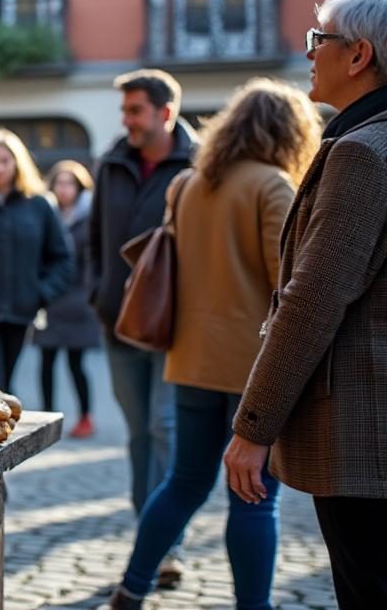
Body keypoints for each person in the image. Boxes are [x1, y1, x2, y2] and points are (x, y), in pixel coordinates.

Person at [109, 78, 322, 610]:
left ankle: (132, 587)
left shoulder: (186, 184)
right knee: (254, 499)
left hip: (190, 358)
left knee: (183, 482)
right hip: (254, 367)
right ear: (288, 132)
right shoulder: (273, 185)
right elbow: (287, 286)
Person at [224, 0, 387, 608]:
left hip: (362, 438)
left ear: (359, 56)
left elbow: (312, 299)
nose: (309, 51)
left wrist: (253, 427)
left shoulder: (362, 153)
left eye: (320, 39)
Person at [88, 68, 197, 586]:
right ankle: (146, 534)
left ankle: (167, 546)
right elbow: (93, 239)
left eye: (135, 110)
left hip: (178, 326)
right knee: (136, 436)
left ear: (165, 113)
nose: (126, 120)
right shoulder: (111, 163)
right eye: (125, 110)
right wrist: (98, 294)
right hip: (118, 324)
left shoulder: (200, 163)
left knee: (164, 429)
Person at [0, 129, 72, 393]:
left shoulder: (39, 204)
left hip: (21, 313)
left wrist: (39, 294)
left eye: (5, 161)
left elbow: (62, 258)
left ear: (17, 163)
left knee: (5, 385)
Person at [32, 160, 100, 438]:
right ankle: (48, 416)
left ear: (79, 186)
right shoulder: (46, 213)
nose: (63, 188)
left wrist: (88, 295)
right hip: (50, 300)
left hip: (79, 302)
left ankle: (85, 416)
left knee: (76, 362)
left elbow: (93, 260)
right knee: (46, 361)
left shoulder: (89, 216)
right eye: (59, 182)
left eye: (69, 183)